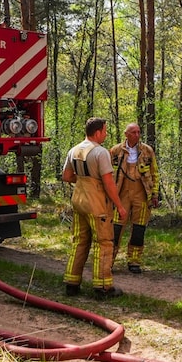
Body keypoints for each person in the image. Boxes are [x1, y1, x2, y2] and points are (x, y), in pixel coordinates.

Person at [61, 117, 128, 298]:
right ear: (97, 132)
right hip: (97, 204)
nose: (105, 134)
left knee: (80, 241)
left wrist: (84, 181)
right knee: (104, 243)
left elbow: (67, 176)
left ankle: (71, 283)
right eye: (105, 131)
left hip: (78, 201)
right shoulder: (101, 152)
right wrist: (120, 206)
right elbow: (108, 183)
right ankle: (103, 287)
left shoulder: (73, 150)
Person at [109, 122, 159, 274]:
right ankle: (109, 259)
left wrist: (155, 194)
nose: (137, 135)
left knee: (139, 228)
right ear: (126, 134)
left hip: (142, 193)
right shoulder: (115, 151)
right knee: (116, 227)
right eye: (133, 132)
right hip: (121, 193)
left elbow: (155, 173)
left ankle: (134, 261)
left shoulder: (147, 151)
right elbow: (107, 173)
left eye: (138, 132)